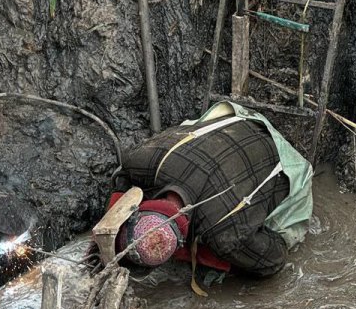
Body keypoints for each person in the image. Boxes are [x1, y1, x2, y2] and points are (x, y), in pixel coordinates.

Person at [105, 101, 313, 284]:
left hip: (286, 162)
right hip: (242, 122)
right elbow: (122, 180)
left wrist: (213, 255)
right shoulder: (142, 160)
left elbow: (273, 261)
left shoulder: (226, 235)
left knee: (256, 242)